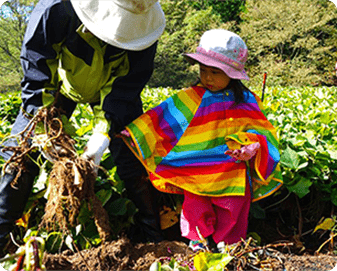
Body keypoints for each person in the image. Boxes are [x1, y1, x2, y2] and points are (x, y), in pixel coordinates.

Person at [0, 0, 166, 254]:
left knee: (134, 153)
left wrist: (101, 136)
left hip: (109, 94)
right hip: (59, 87)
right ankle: (1, 233)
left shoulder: (145, 31)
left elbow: (122, 92)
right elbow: (37, 70)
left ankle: (155, 239)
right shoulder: (55, 9)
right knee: (19, 152)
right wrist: (46, 127)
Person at [119, 29, 283, 252]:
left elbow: (263, 134)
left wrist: (251, 147)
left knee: (232, 214)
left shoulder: (246, 100)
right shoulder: (192, 96)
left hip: (233, 175)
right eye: (203, 70)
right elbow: (163, 118)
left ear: (232, 74)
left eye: (215, 72)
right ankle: (198, 249)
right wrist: (137, 132)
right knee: (196, 211)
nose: (207, 78)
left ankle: (230, 254)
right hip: (196, 172)